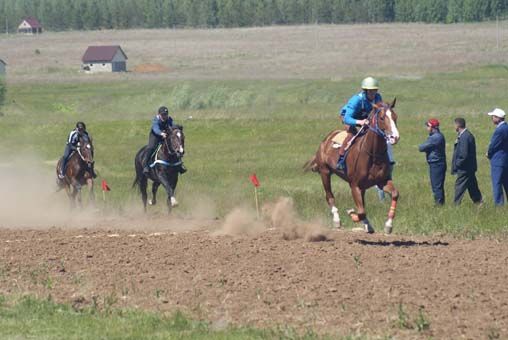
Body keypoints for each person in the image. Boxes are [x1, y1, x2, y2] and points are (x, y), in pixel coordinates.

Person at [337, 77, 383, 170]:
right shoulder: (356, 100)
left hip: (365, 118)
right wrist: (359, 122)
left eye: (374, 90)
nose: (373, 94)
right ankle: (341, 160)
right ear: (365, 91)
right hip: (350, 118)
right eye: (370, 91)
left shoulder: (378, 97)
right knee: (353, 134)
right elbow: (347, 118)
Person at [142, 106, 186, 174]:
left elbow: (172, 125)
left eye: (165, 114)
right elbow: (155, 128)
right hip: (155, 136)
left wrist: (177, 127)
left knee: (174, 147)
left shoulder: (169, 119)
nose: (164, 116)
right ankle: (145, 165)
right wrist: (161, 133)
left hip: (165, 136)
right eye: (162, 115)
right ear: (159, 114)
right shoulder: (156, 120)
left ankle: (179, 165)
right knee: (151, 147)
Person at [451, 117, 482, 205]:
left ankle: (456, 205)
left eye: (454, 125)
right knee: (472, 185)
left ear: (458, 125)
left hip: (465, 168)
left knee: (459, 186)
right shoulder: (465, 135)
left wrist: (457, 164)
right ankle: (478, 202)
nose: (454, 127)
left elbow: (464, 154)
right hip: (469, 167)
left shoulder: (465, 136)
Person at [419, 119, 447, 205]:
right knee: (438, 185)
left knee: (436, 186)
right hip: (437, 163)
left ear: (433, 127)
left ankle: (439, 204)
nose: (427, 128)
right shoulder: (437, 136)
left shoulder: (435, 137)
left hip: (437, 164)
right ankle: (440, 203)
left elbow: (421, 148)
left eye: (428, 126)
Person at [486, 108, 508, 206]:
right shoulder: (506, 127)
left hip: (498, 160)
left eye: (493, 117)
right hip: (505, 159)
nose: (492, 118)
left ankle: (499, 205)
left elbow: (493, 145)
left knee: (497, 183)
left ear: (498, 118)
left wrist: (489, 153)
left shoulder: (499, 130)